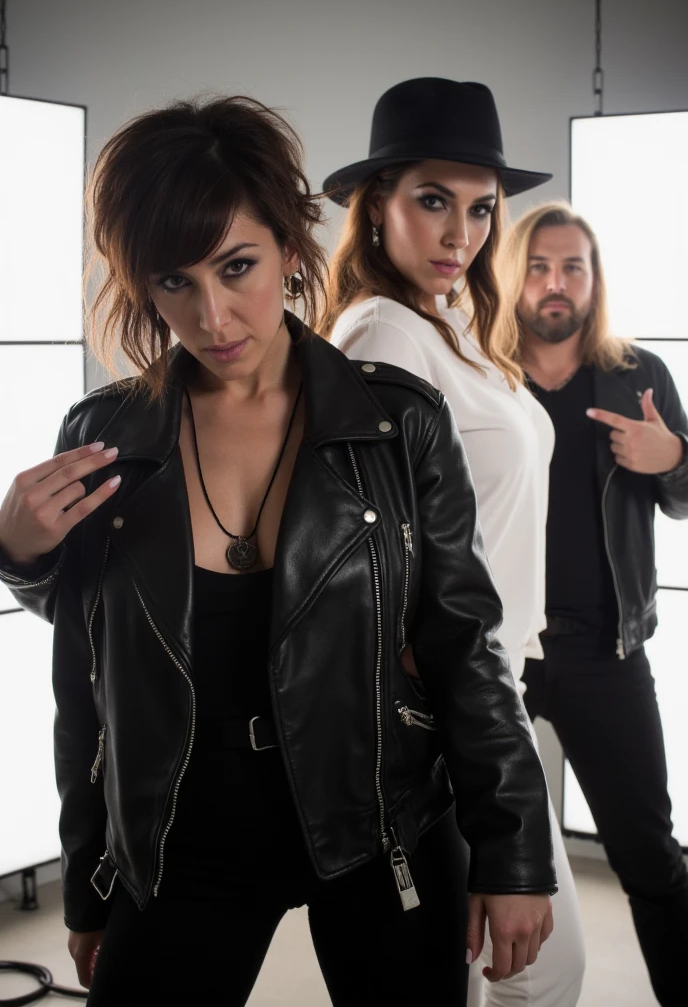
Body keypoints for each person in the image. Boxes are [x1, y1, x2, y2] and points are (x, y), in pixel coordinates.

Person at [0, 95, 555, 1007]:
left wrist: (518, 849)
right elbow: (90, 682)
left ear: (291, 250)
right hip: (184, 839)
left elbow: (465, 644)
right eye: (174, 282)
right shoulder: (109, 439)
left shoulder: (397, 422)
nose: (213, 315)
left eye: (238, 266)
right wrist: (94, 876)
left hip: (383, 828)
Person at [320, 77, 585, 1007]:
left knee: (490, 967)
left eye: (479, 208)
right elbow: (364, 548)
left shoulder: (460, 324)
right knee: (538, 968)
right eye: (432, 201)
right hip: (445, 694)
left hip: (493, 672)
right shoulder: (381, 337)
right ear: (377, 203)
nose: (460, 233)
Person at [498, 200, 688, 1007]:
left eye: (572, 266)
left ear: (593, 279)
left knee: (649, 855)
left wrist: (670, 455)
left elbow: (685, 497)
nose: (554, 283)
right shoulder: (481, 374)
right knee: (473, 863)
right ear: (513, 275)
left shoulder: (639, 374)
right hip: (494, 656)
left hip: (606, 652)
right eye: (538, 266)